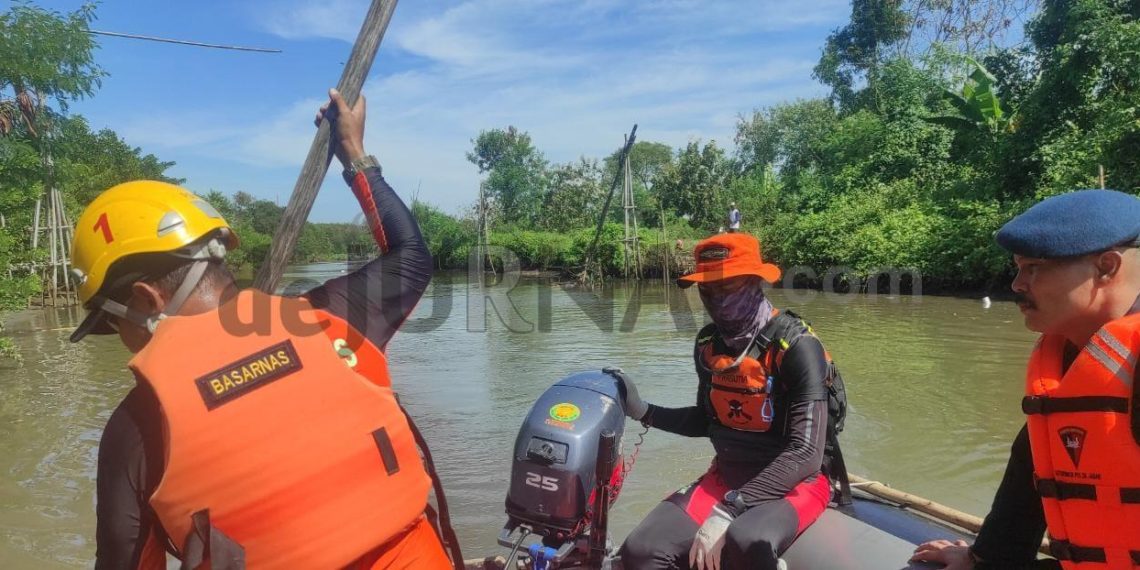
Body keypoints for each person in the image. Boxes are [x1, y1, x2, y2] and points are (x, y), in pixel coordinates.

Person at [78, 89, 457, 569]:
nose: (122, 341)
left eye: (114, 325)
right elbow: (411, 256)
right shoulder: (328, 320)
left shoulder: (137, 428)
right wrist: (355, 154)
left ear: (145, 300)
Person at [911, 189, 1140, 570]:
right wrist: (981, 558)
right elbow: (1029, 475)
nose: (1017, 284)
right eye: (1018, 268)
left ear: (1106, 267)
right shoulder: (1070, 359)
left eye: (1033, 267)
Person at [616, 233, 835, 570]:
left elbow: (806, 453)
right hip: (728, 476)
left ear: (754, 282)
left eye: (726, 287)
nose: (716, 298)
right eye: (708, 289)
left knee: (746, 540)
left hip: (795, 483)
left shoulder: (798, 347)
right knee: (641, 550)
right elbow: (707, 420)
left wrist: (731, 509)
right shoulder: (708, 344)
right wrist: (644, 411)